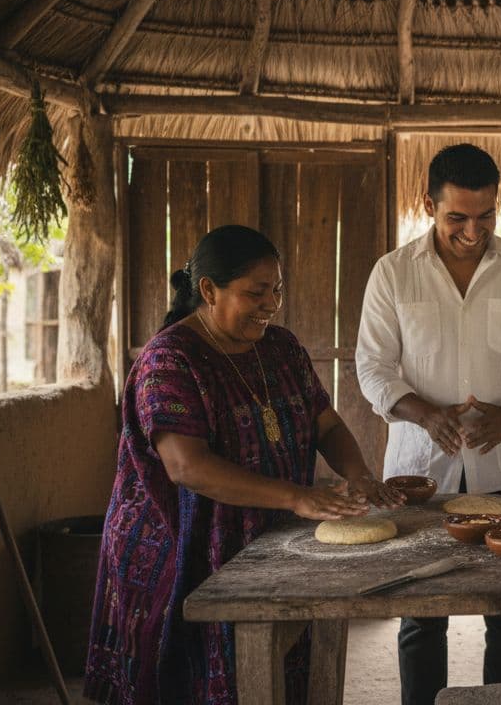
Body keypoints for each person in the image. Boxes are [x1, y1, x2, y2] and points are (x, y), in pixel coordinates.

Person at [85, 225, 404, 705]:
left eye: (276, 290)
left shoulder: (281, 348)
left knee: (277, 675)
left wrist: (357, 473)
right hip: (181, 549)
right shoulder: (169, 362)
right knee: (194, 682)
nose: (271, 303)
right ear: (209, 290)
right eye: (256, 292)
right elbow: (186, 467)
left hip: (267, 539)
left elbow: (327, 425)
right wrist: (298, 497)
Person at [355, 143, 501, 705]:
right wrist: (424, 414)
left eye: (486, 216)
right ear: (429, 203)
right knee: (423, 615)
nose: (473, 233)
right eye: (457, 218)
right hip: (420, 473)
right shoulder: (394, 274)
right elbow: (371, 367)